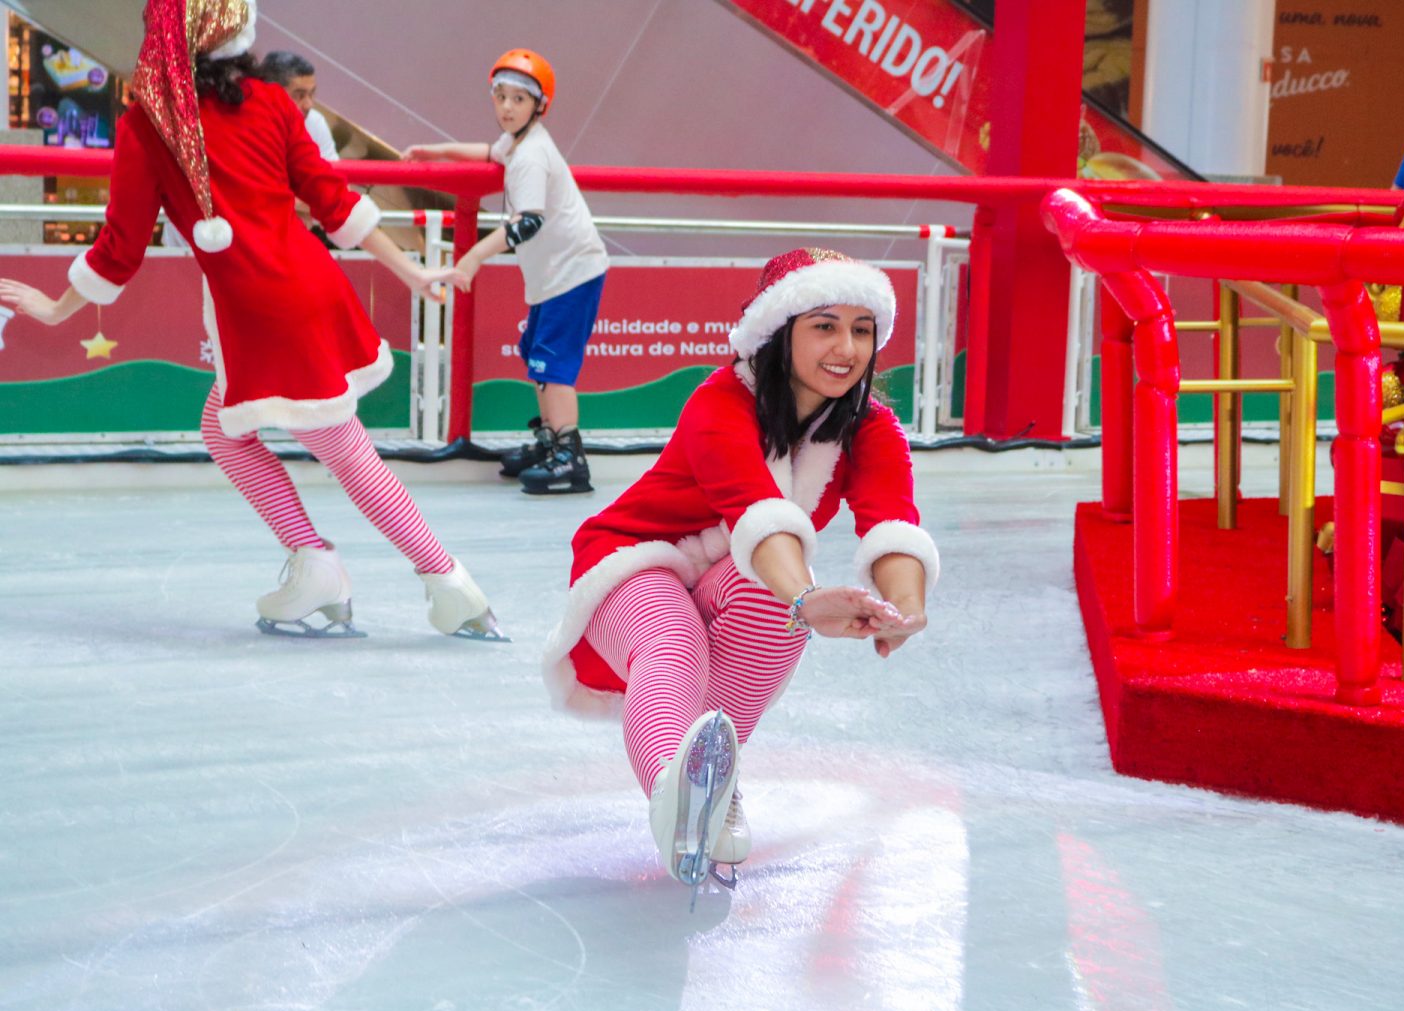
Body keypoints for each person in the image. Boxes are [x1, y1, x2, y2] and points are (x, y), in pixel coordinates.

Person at [0, 0, 506, 641]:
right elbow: (334, 200)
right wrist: (410, 270)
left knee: (346, 454)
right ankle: (321, 563)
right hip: (309, 288)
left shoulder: (147, 124)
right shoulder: (267, 101)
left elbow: (120, 248)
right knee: (225, 427)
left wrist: (53, 307)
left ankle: (446, 581)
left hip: (265, 312)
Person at [541, 248, 938, 893]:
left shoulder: (869, 428)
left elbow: (892, 521)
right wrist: (806, 596)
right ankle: (677, 783)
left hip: (733, 575)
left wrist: (906, 608)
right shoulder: (721, 401)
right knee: (678, 639)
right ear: (778, 334)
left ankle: (713, 778)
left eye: (861, 329)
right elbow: (757, 510)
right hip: (636, 560)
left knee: (773, 604)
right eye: (824, 325)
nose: (846, 347)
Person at [403, 49, 608, 495]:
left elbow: (527, 221)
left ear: (539, 106)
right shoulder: (518, 143)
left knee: (552, 366)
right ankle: (550, 440)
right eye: (501, 97)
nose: (508, 107)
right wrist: (433, 151)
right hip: (553, 274)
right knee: (535, 352)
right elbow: (488, 153)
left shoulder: (533, 154)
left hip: (571, 271)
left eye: (519, 99)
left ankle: (571, 459)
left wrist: (472, 257)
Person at [258, 50, 338, 160]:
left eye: (312, 94)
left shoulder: (314, 122)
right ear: (271, 94)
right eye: (299, 96)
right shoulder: (245, 124)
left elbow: (332, 169)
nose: (309, 105)